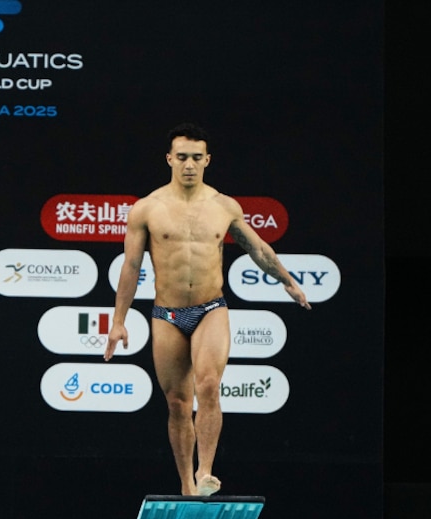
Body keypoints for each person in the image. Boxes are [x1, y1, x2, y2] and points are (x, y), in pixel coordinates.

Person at [103, 123, 309, 496]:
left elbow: (257, 248)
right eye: (182, 157)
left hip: (211, 308)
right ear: (169, 159)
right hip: (167, 315)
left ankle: (205, 473)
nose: (189, 165)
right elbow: (131, 267)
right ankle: (186, 484)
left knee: (209, 385)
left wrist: (287, 280)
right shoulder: (146, 209)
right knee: (178, 403)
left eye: (197, 158)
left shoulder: (223, 206)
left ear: (207, 160)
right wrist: (118, 321)